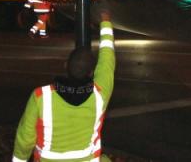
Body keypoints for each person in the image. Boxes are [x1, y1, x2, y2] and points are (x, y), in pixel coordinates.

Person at [12, 9, 116, 162]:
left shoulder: (41, 96)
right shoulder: (100, 94)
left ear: (65, 65)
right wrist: (106, 21)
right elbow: (107, 59)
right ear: (91, 72)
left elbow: (25, 138)